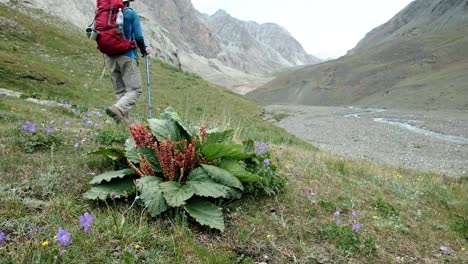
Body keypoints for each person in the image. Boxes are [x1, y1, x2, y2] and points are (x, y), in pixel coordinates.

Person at [105, 0, 151, 124]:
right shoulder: (130, 13)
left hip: (110, 57)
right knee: (135, 90)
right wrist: (144, 50)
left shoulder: (107, 14)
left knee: (121, 91)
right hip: (127, 55)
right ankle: (118, 108)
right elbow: (139, 37)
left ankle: (124, 123)